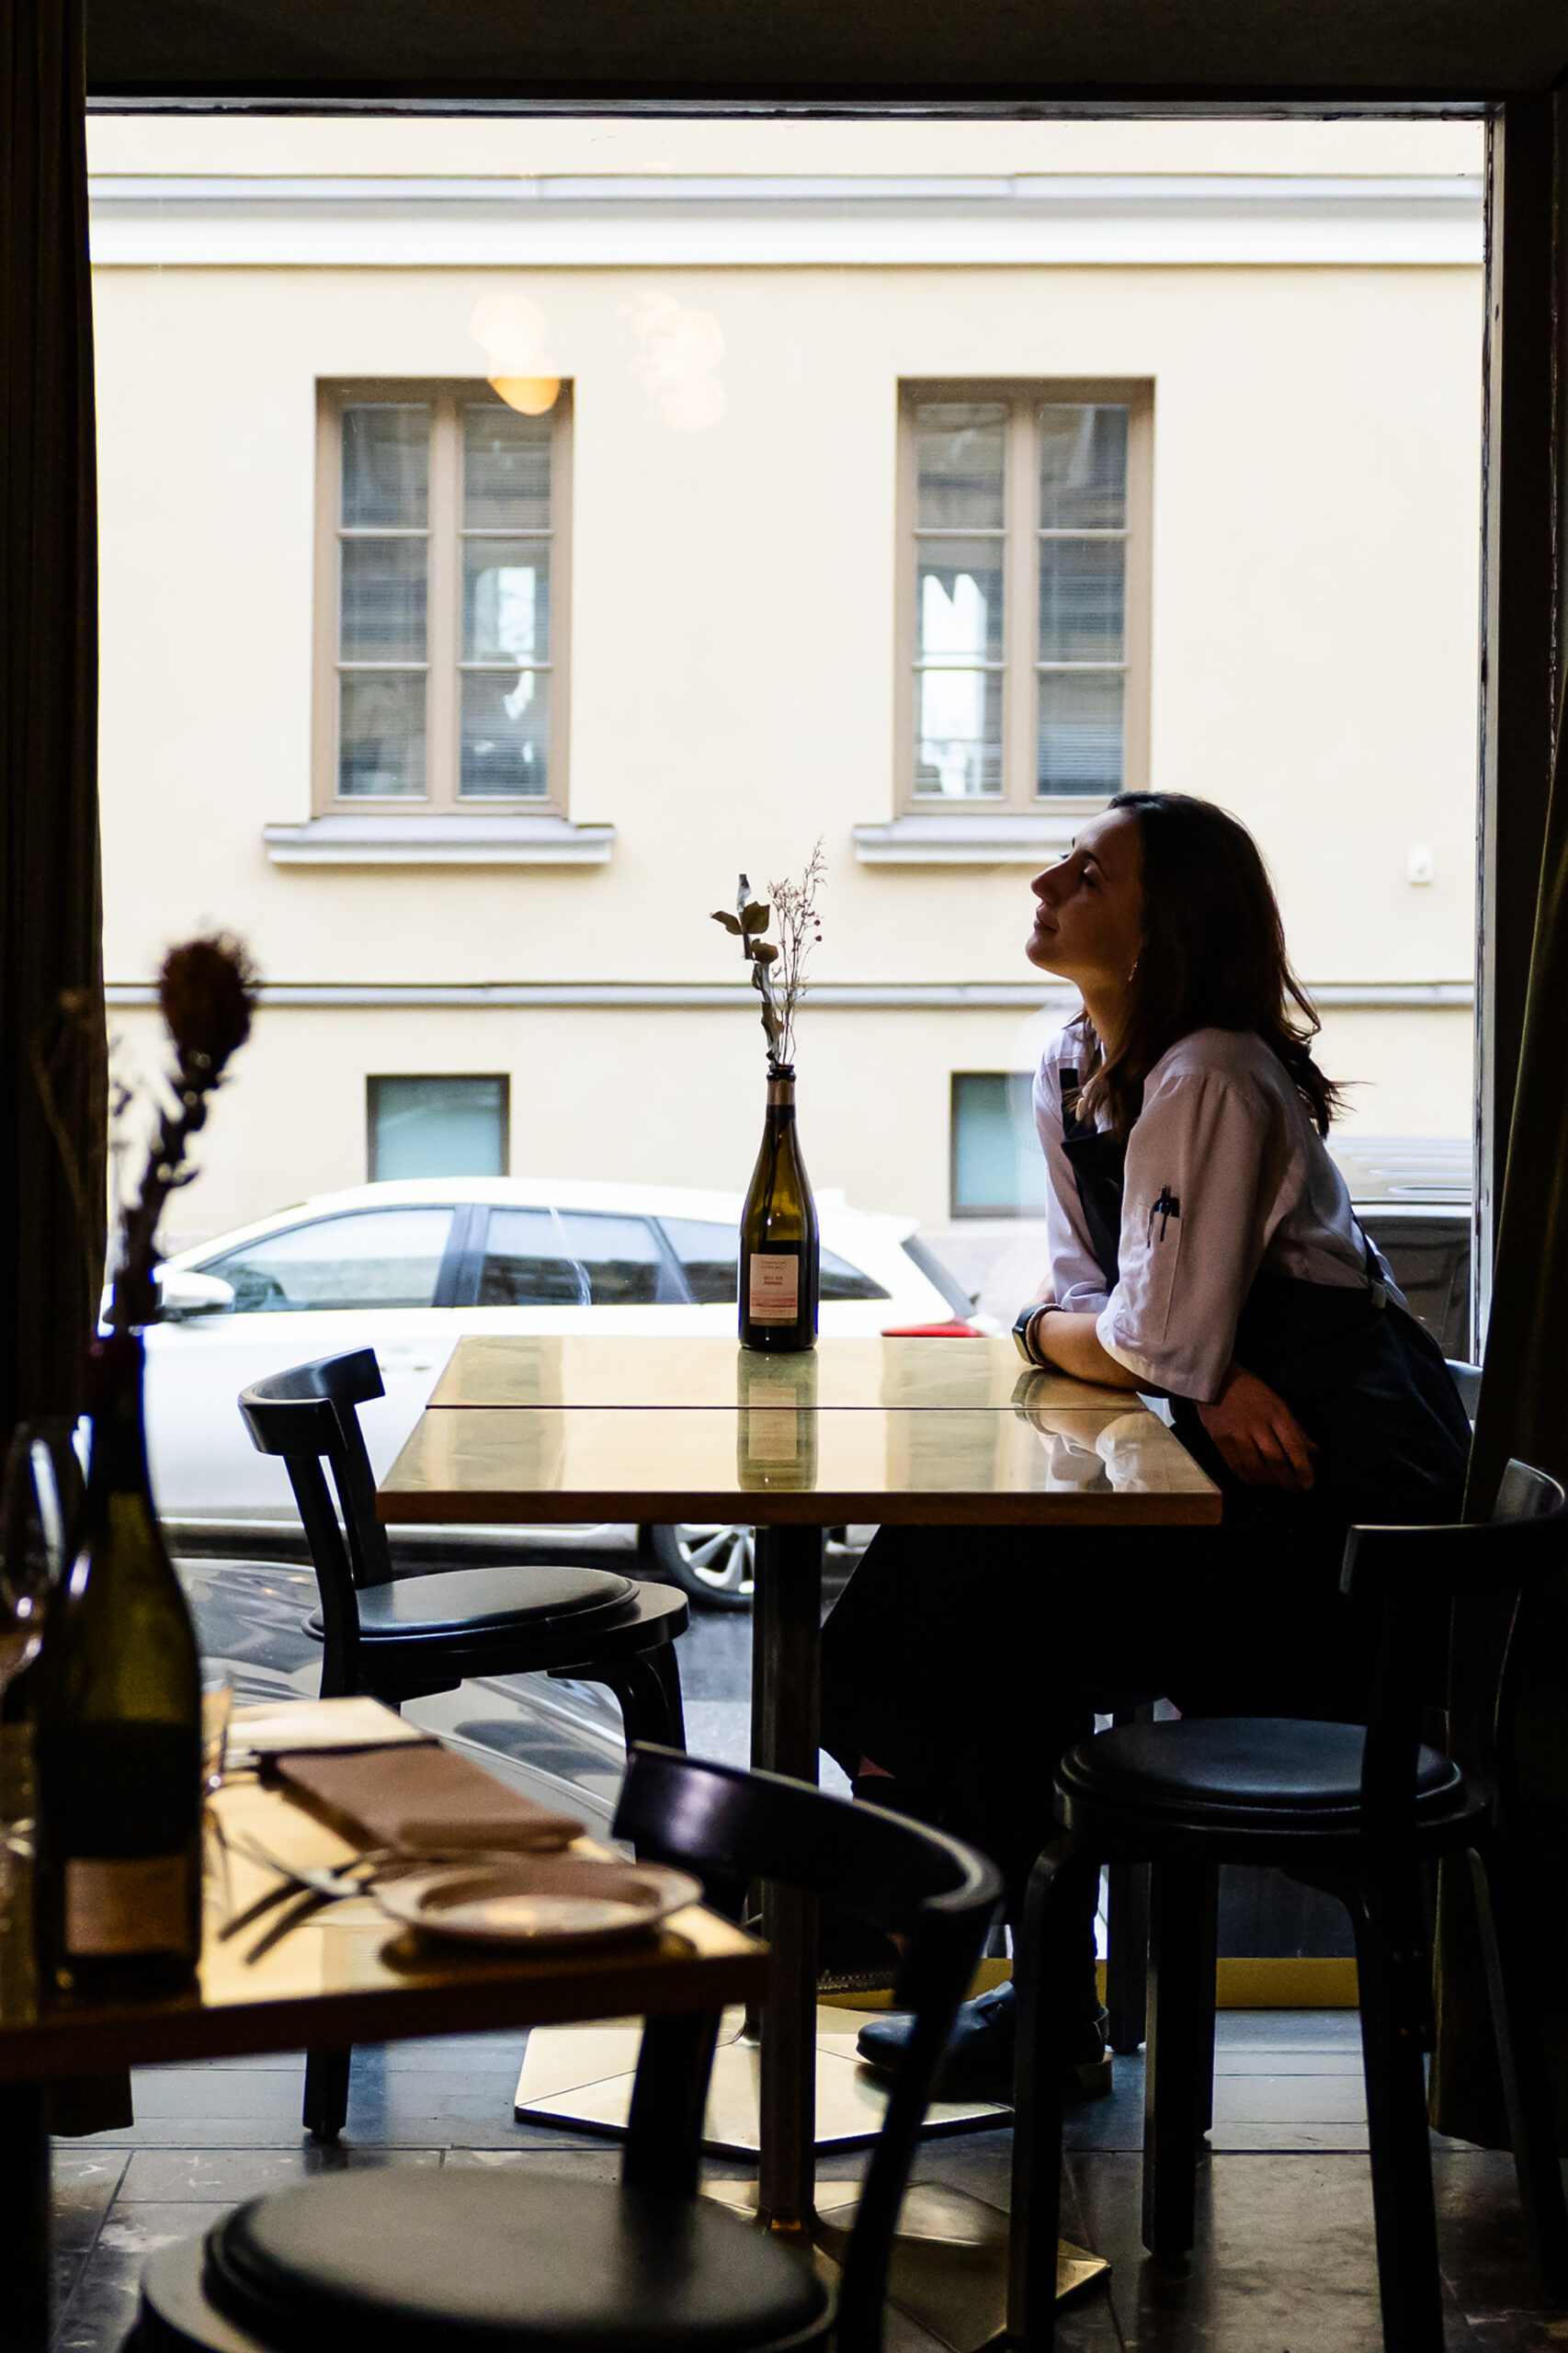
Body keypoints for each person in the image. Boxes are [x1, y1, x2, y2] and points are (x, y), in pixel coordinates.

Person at [824, 790, 1471, 2098]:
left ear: (1158, 927)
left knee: (973, 1613)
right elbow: (1110, 1311)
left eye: (1086, 874)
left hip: (1336, 1519)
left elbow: (1133, 1337)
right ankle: (978, 1943)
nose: (1046, 882)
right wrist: (1161, 1352)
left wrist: (1126, 1344)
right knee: (939, 1595)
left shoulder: (1211, 1074)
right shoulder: (1072, 1064)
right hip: (1220, 1472)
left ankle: (958, 1934)